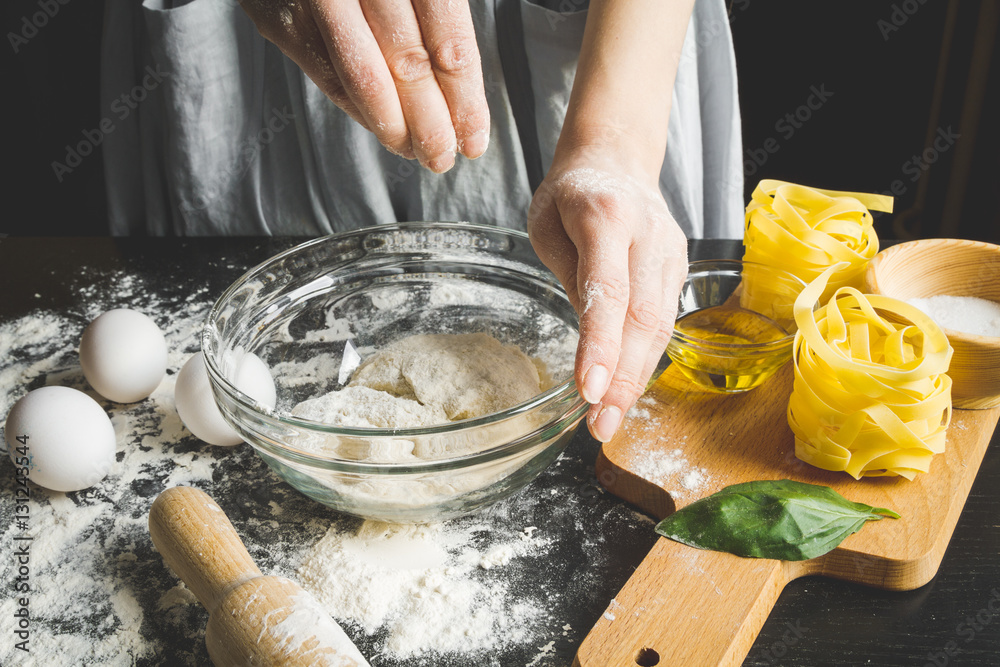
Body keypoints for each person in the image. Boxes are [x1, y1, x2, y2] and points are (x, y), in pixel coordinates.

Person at [100, 0, 743, 443]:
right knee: (257, 344)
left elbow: (616, 153)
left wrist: (614, 143)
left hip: (618, 44)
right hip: (270, 62)